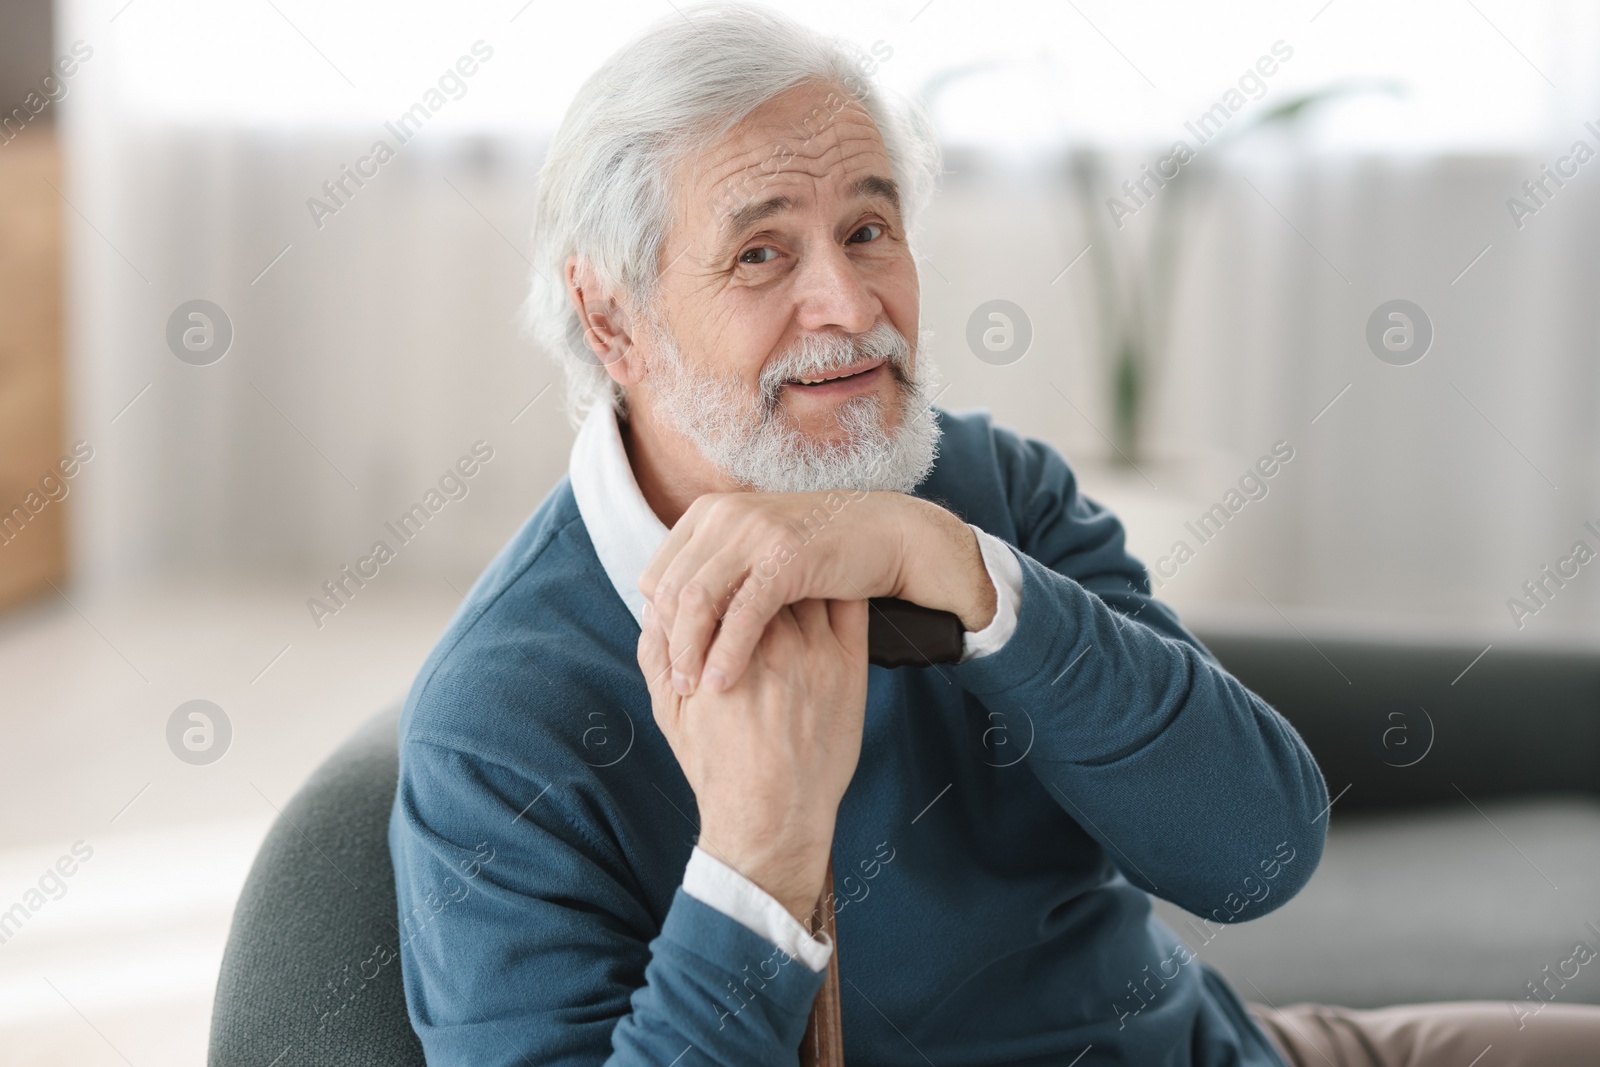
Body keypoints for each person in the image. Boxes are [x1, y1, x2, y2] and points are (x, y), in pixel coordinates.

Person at [387, 3, 1600, 1063]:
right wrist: (759, 855)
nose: (852, 307)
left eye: (868, 229)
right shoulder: (505, 712)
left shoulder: (981, 483)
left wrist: (963, 578)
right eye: (762, 252)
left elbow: (1257, 854)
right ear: (612, 318)